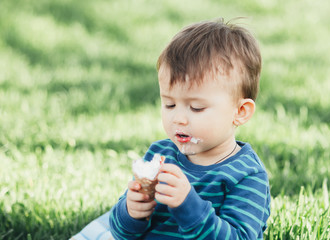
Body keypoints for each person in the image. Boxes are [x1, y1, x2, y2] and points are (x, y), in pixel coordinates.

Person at [107, 18, 271, 240]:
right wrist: (131, 212)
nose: (179, 119)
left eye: (196, 107)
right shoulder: (161, 155)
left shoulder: (246, 175)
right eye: (169, 104)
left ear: (240, 111)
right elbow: (121, 233)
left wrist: (189, 207)